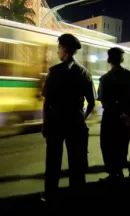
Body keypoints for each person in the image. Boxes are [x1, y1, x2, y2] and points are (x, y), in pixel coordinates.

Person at [42, 33, 96, 200]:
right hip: (76, 121)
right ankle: (77, 195)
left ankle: (51, 194)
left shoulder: (54, 72)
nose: (57, 51)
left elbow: (46, 102)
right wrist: (81, 117)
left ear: (64, 49)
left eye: (59, 48)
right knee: (77, 161)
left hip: (56, 121)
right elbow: (92, 103)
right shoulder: (85, 73)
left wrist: (45, 124)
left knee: (53, 161)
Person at [98, 47, 130, 181]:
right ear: (122, 59)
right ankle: (119, 171)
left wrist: (117, 113)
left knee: (107, 144)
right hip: (126, 115)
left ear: (109, 60)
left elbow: (103, 100)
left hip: (110, 117)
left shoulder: (105, 78)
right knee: (122, 142)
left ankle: (113, 173)